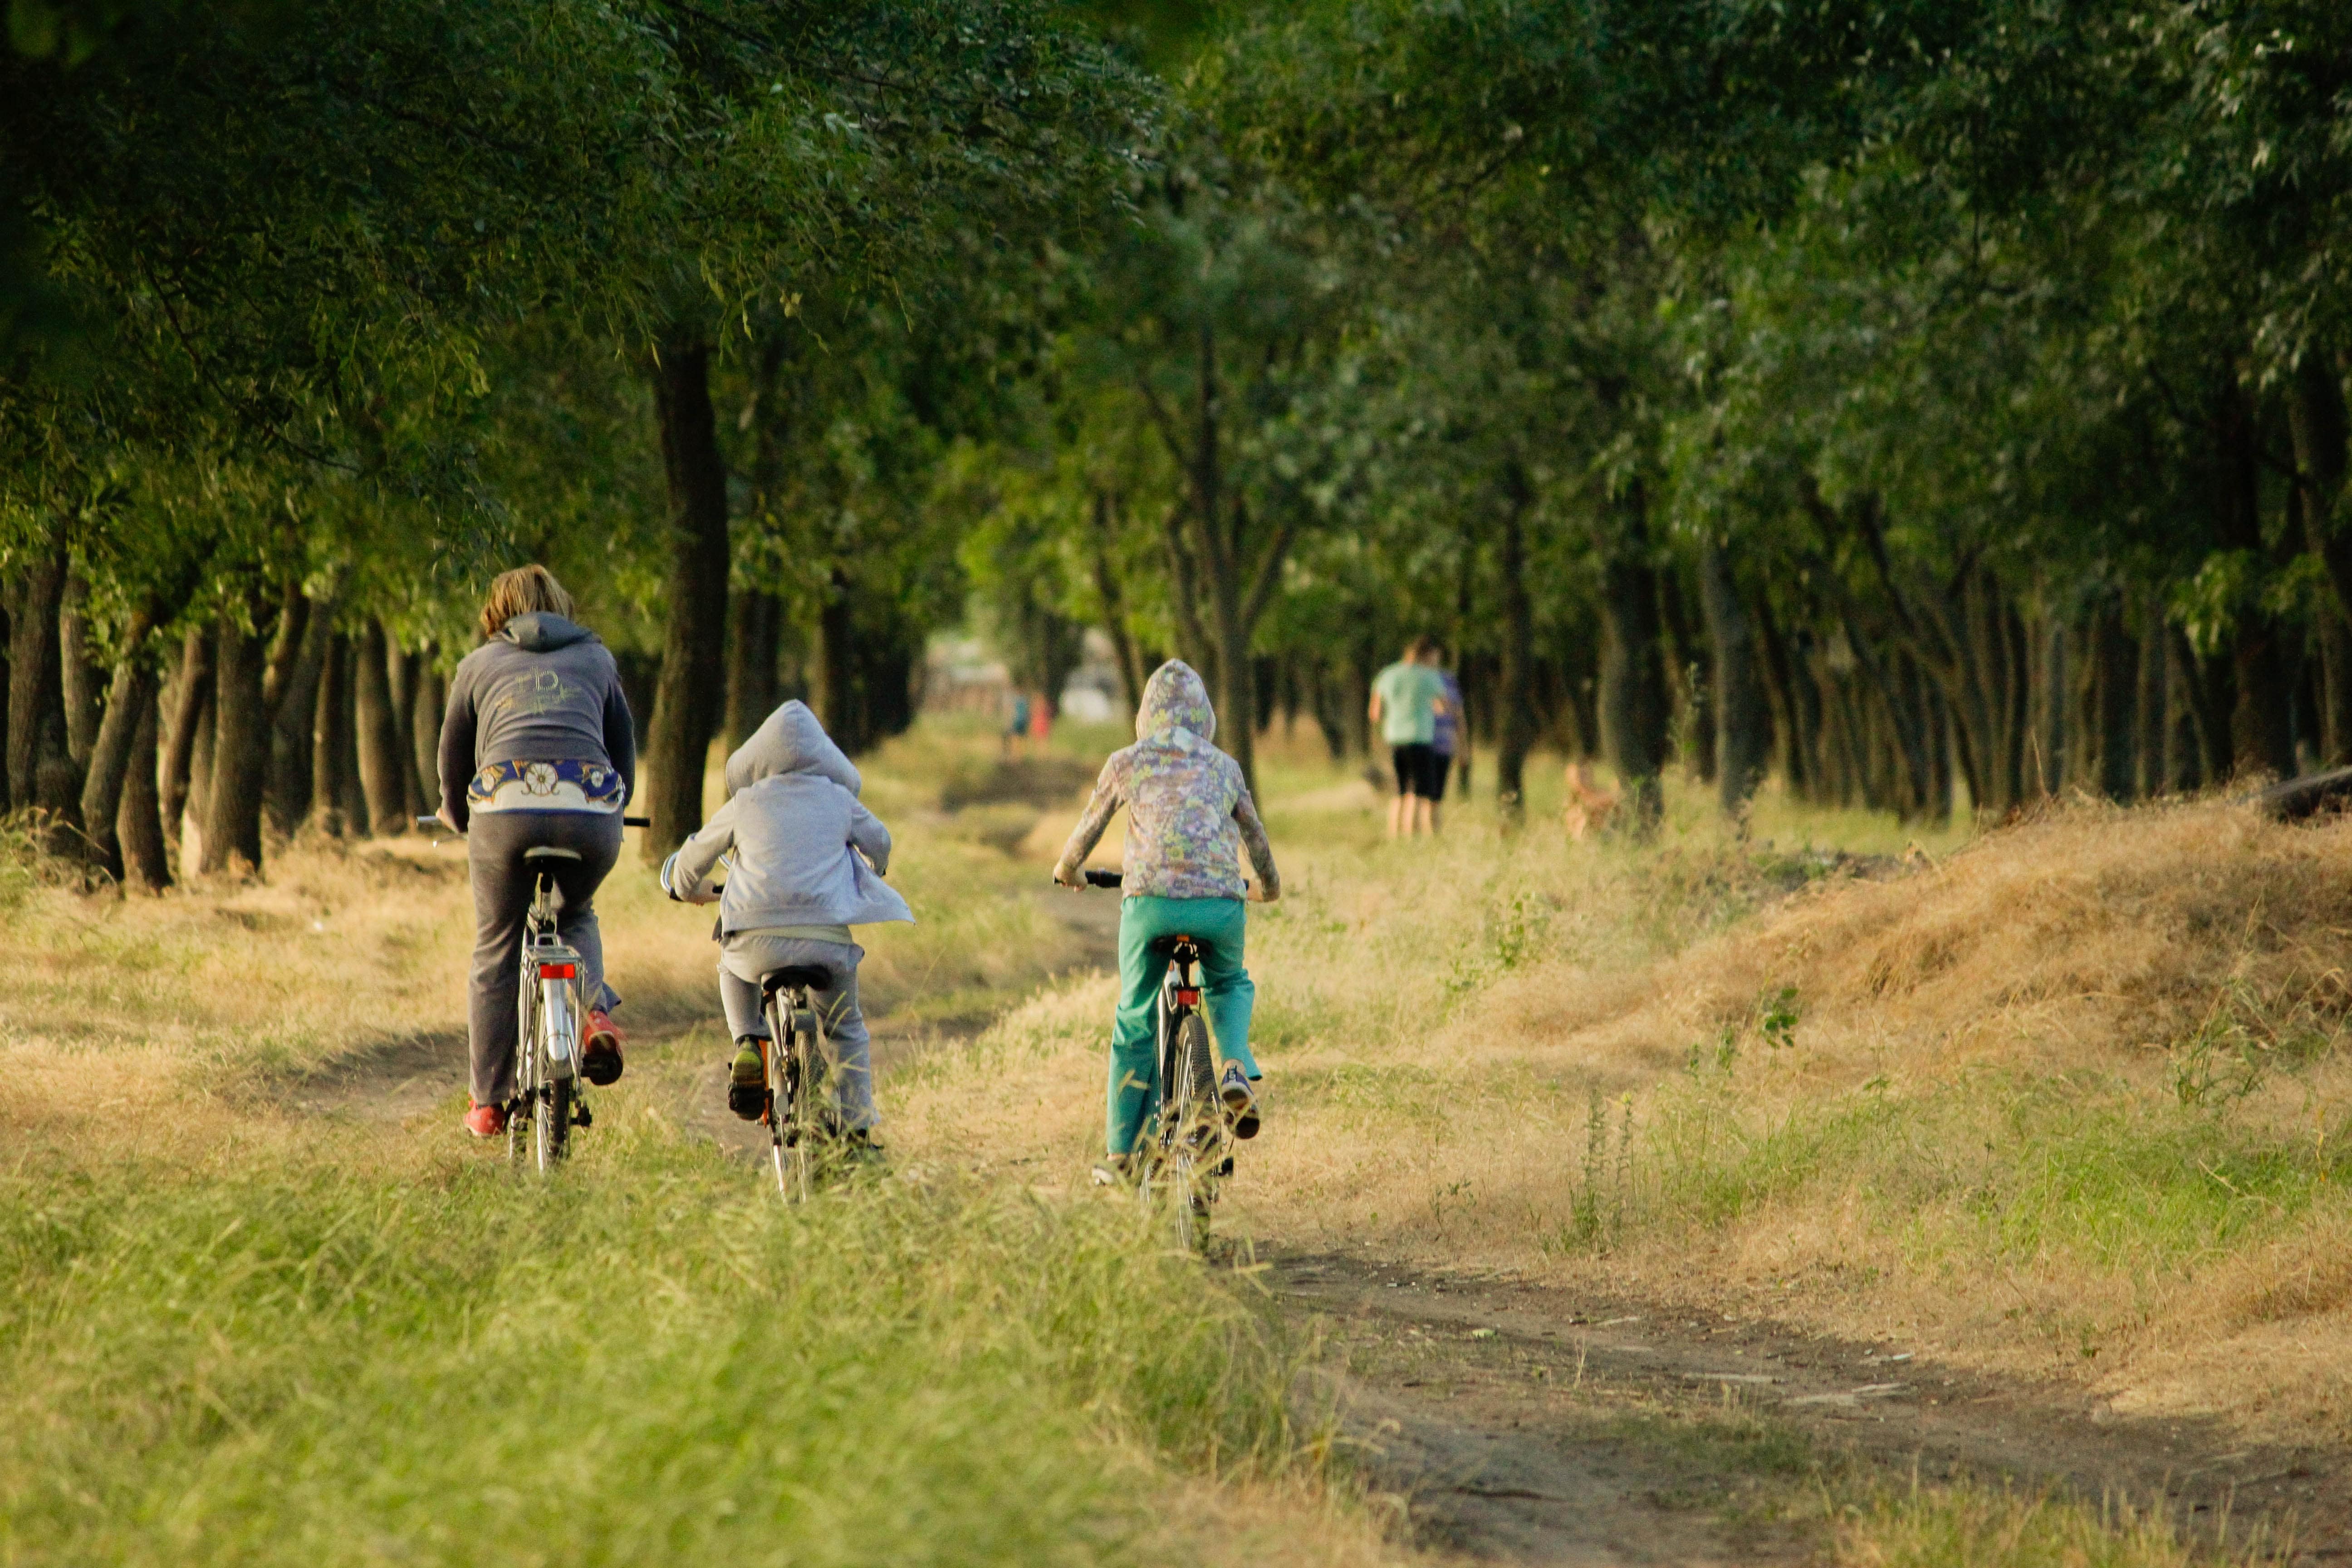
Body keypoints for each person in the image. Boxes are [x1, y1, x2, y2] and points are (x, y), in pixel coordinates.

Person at [1053, 661, 1280, 1174]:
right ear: (1205, 717)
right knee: (1229, 982)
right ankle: (1234, 1067)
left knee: (1134, 1016)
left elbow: (1087, 830)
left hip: (1150, 906)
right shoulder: (1225, 767)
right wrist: (1269, 887)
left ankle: (1117, 1155)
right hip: (1221, 905)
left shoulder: (1127, 761)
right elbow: (1256, 838)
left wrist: (1069, 869)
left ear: (1145, 715)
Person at [659, 700, 912, 1150]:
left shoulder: (746, 801)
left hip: (755, 941)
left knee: (732, 967)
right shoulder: (839, 799)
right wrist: (875, 867)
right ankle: (856, 1128)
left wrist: (683, 887)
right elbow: (881, 843)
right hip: (826, 941)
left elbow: (693, 858)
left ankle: (746, 1042)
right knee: (846, 1027)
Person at [437, 564, 634, 1139]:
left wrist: (456, 813)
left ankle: (489, 1101)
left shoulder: (477, 666)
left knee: (497, 942)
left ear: (498, 612)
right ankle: (596, 1014)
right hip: (591, 809)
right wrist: (614, 806)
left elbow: (454, 759)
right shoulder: (598, 660)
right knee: (575, 913)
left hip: (504, 809)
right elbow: (623, 749)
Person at [1368, 636, 1449, 837]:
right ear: (1427, 655)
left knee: (1399, 791)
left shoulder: (1388, 675)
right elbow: (1443, 707)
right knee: (1419, 793)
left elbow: (1375, 713)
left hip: (1394, 738)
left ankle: (1394, 835)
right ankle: (1412, 837)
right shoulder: (1429, 677)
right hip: (1420, 738)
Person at [1427, 642, 1467, 834]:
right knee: (1418, 795)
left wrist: (1463, 746)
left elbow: (1458, 715)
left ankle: (1434, 836)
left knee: (1436, 797)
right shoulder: (1417, 680)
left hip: (1444, 745)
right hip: (1421, 744)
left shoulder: (1449, 680)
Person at [1004, 688, 1032, 758]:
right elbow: (1028, 713)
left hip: (1016, 721)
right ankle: (1021, 755)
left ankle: (1015, 755)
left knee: (1015, 738)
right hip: (1024, 722)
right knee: (1022, 739)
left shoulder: (1015, 701)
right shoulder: (1026, 701)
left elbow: (1011, 711)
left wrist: (1009, 721)